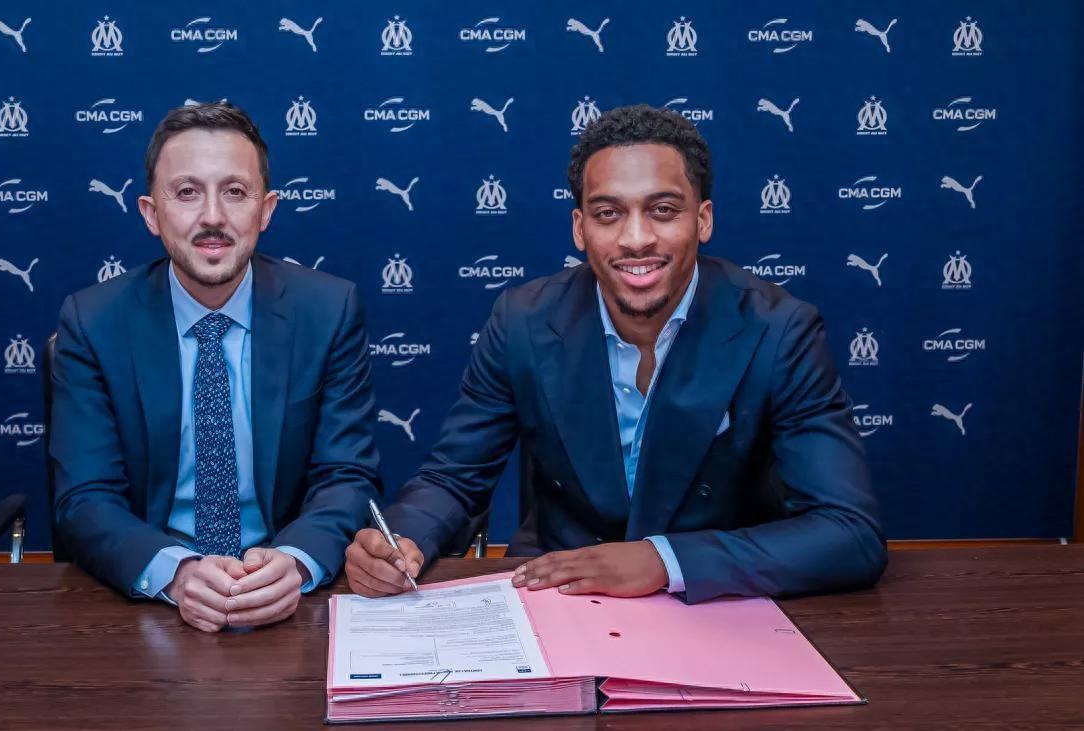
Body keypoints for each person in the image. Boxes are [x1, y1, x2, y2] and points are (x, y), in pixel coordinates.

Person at [344, 105, 886, 604]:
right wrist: (402, 540)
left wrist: (664, 561)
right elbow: (454, 479)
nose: (636, 238)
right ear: (580, 228)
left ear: (703, 219)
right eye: (608, 213)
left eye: (663, 210)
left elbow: (849, 533)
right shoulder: (522, 321)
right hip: (558, 591)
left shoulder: (779, 329)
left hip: (717, 602)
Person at [51, 102, 381, 631]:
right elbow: (85, 498)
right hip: (149, 606)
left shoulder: (328, 311)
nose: (212, 217)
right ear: (150, 213)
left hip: (286, 597)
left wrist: (297, 561)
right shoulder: (93, 322)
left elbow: (346, 475)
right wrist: (175, 572)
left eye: (234, 192)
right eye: (186, 192)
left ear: (266, 210)